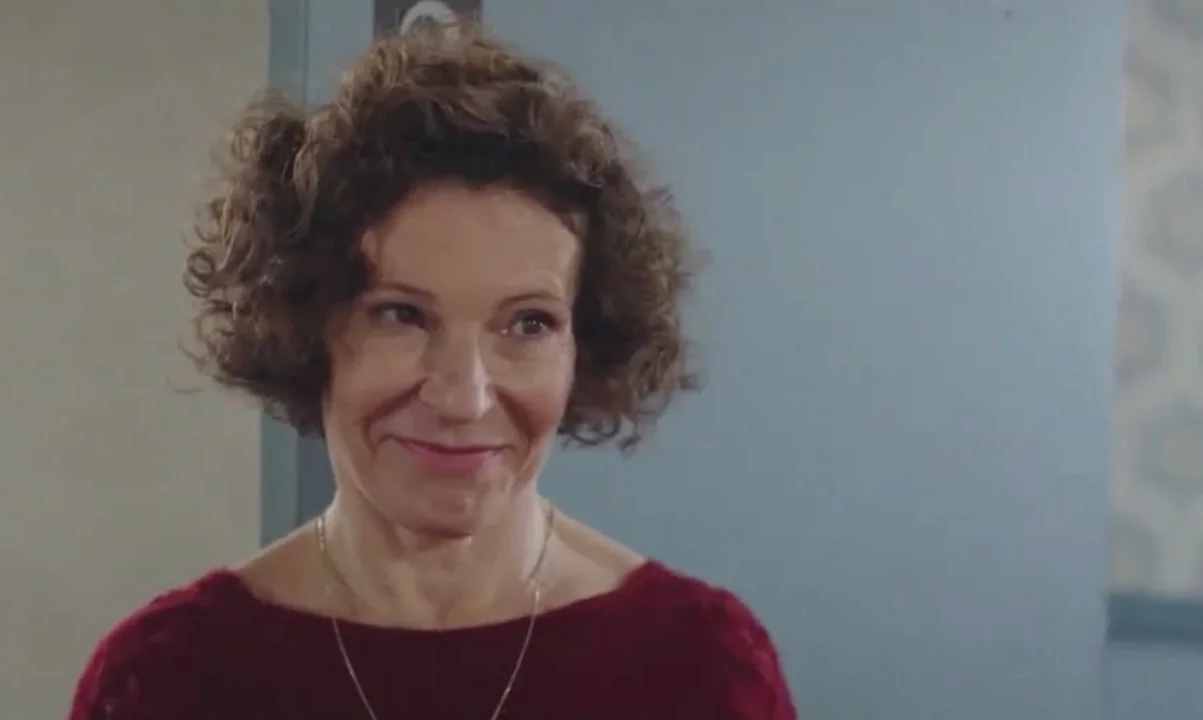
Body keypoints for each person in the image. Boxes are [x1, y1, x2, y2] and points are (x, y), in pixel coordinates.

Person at [68, 26, 796, 720]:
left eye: (528, 324)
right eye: (402, 315)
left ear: (586, 344)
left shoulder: (700, 668)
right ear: (306, 328)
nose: (463, 396)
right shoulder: (166, 680)